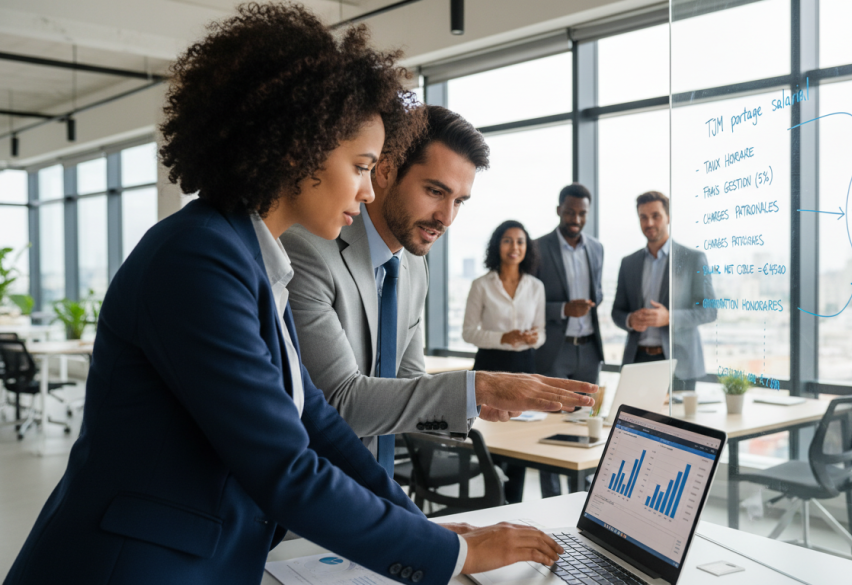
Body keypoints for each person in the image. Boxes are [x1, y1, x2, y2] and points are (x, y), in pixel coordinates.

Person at [3, 6, 574, 584]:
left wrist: (423, 531)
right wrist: (456, 557)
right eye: (361, 166)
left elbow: (318, 423)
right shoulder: (198, 258)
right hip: (130, 568)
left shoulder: (247, 256)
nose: (368, 190)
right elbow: (285, 464)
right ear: (299, 150)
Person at [280, 106, 592, 478]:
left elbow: (409, 384)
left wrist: (474, 403)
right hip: (308, 491)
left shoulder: (414, 266)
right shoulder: (308, 251)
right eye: (435, 191)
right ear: (386, 170)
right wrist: (480, 386)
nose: (446, 217)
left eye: (459, 201)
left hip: (375, 486)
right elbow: (340, 403)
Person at [462, 220, 545, 503]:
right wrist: (503, 338)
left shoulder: (535, 286)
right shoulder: (481, 285)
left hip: (525, 363)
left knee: (522, 432)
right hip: (490, 363)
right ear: (497, 245)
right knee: (490, 433)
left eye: (520, 241)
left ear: (527, 248)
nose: (514, 247)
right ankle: (491, 500)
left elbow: (542, 331)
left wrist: (533, 337)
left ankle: (515, 502)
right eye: (508, 240)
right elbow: (468, 332)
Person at [534, 183, 605, 497]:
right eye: (570, 211)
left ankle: (582, 492)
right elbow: (531, 304)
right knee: (553, 422)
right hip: (556, 351)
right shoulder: (537, 248)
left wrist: (591, 302)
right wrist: (565, 308)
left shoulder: (597, 248)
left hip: (589, 349)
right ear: (559, 210)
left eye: (582, 213)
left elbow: (598, 292)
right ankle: (552, 496)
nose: (576, 218)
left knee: (585, 420)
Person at [612, 191, 717, 390]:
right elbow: (617, 311)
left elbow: (710, 311)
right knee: (635, 421)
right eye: (643, 217)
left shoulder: (693, 259)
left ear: (668, 217)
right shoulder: (628, 263)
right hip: (637, 362)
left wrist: (669, 318)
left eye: (655, 216)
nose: (649, 222)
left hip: (680, 363)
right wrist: (630, 320)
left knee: (676, 422)